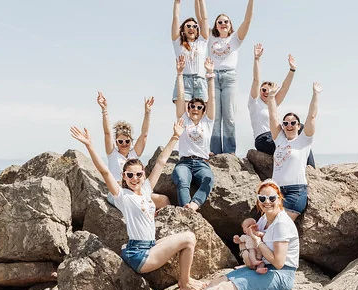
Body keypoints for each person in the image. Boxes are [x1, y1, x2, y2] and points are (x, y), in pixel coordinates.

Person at [141, 179, 299, 290]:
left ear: (279, 198)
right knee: (214, 284)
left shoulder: (281, 224)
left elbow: (278, 263)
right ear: (258, 200)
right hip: (263, 267)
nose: (267, 202)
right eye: (262, 198)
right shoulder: (264, 219)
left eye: (272, 198)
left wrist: (257, 241)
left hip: (281, 274)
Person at [70, 120, 206, 290]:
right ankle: (185, 283)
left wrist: (175, 136)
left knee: (187, 238)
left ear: (144, 175)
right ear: (124, 177)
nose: (135, 178)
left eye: (138, 174)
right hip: (139, 255)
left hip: (150, 246)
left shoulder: (147, 189)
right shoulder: (123, 196)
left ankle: (185, 279)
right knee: (188, 238)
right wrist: (89, 145)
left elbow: (160, 162)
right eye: (130, 175)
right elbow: (104, 171)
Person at [197, 0, 254, 155]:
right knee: (214, 117)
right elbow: (202, 18)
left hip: (229, 78)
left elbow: (247, 20)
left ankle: (229, 152)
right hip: (212, 77)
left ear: (230, 24)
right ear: (216, 25)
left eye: (226, 21)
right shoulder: (210, 37)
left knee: (229, 116)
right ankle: (215, 150)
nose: (223, 24)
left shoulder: (235, 38)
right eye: (220, 22)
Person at [97, 92, 170, 209]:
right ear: (116, 142)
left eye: (127, 141)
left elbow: (144, 135)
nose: (124, 144)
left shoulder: (134, 154)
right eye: (120, 141)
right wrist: (104, 109)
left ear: (131, 141)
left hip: (136, 190)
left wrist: (148, 112)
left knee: (164, 200)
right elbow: (107, 133)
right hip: (118, 192)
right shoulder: (112, 154)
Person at [249, 43, 316, 167]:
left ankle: (312, 170)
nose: (266, 93)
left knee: (301, 132)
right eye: (263, 90)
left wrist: (292, 70)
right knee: (292, 145)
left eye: (269, 91)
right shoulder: (254, 103)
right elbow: (256, 80)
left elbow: (285, 88)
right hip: (264, 139)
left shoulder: (272, 103)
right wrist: (257, 59)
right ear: (259, 91)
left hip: (279, 134)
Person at [268, 82, 323, 221]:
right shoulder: (279, 139)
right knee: (265, 228)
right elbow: (273, 116)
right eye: (285, 123)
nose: (289, 125)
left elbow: (311, 116)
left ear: (299, 126)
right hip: (275, 192)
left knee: (279, 226)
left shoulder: (304, 140)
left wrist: (315, 94)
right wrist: (271, 97)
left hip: (295, 192)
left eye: (293, 123)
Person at [171, 54, 215, 211]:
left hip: (202, 163)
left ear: (204, 111)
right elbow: (182, 97)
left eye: (199, 107)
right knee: (182, 180)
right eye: (192, 106)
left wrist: (210, 76)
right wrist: (180, 74)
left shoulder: (207, 122)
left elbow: (212, 98)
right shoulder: (184, 119)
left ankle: (194, 205)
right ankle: (186, 211)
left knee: (209, 179)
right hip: (184, 162)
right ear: (188, 109)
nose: (195, 109)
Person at [171, 0, 209, 105]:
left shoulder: (202, 41)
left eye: (195, 26)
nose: (192, 28)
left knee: (200, 117)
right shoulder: (178, 42)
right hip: (184, 80)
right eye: (188, 26)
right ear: (183, 29)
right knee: (183, 116)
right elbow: (176, 18)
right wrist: (177, 3)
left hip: (200, 81)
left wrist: (201, 1)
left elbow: (205, 19)